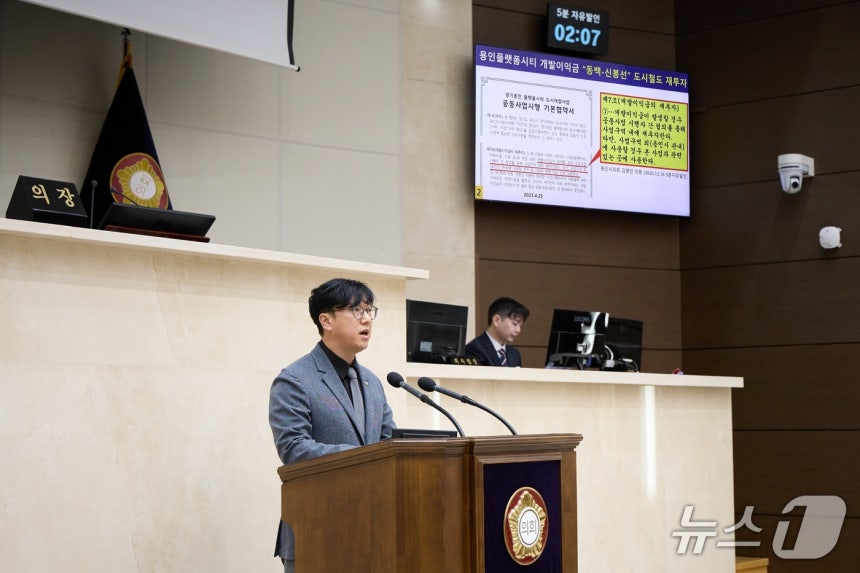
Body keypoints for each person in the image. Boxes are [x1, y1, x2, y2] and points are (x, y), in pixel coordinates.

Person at [269, 277, 397, 572]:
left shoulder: (374, 383)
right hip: (316, 527)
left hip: (374, 531)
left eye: (370, 310)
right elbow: (294, 449)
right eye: (356, 311)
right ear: (325, 320)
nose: (367, 319)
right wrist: (363, 459)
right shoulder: (295, 380)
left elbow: (390, 445)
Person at [465, 297, 530, 367]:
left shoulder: (514, 354)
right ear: (496, 320)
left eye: (520, 326)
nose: (518, 330)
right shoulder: (474, 350)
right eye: (515, 324)